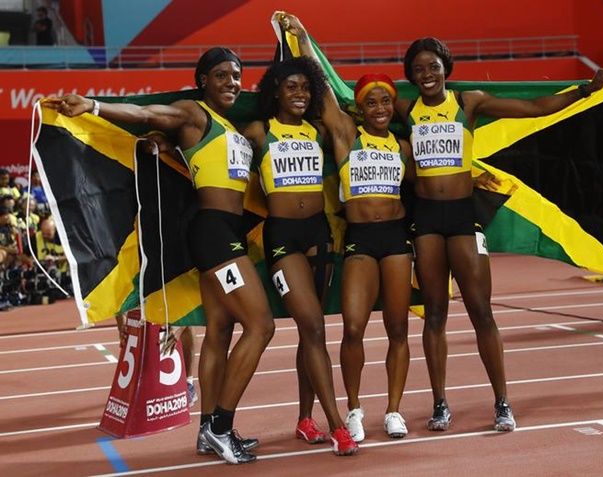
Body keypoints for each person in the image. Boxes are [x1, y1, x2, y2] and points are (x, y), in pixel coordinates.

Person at [44, 47, 276, 464]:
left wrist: (165, 149)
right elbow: (149, 115)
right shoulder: (193, 113)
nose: (231, 83)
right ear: (202, 80)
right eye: (221, 75)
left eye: (237, 76)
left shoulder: (228, 124)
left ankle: (208, 430)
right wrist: (94, 106)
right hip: (215, 236)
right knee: (260, 326)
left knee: (220, 333)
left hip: (223, 232)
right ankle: (223, 428)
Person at [395, 37, 603, 432]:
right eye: (418, 70)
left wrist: (588, 89)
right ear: (410, 77)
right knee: (435, 314)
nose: (426, 75)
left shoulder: (469, 103)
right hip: (426, 219)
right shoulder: (404, 108)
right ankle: (440, 403)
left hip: (463, 216)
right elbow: (349, 102)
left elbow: (533, 109)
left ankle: (502, 402)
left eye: (433, 67)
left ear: (446, 68)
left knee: (482, 311)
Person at [278, 13, 414, 443]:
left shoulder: (403, 146)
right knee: (353, 327)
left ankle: (393, 410)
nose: (379, 108)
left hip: (396, 241)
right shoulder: (346, 134)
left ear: (393, 106)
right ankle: (353, 408)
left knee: (398, 329)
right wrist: (303, 40)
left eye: (386, 101)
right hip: (359, 241)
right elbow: (322, 90)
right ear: (360, 106)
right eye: (371, 101)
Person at [242, 46, 358, 455]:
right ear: (274, 91)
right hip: (282, 236)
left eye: (306, 88)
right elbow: (223, 157)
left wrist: (304, 47)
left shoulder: (318, 131)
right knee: (313, 326)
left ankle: (306, 419)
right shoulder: (259, 131)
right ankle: (338, 425)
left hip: (319, 232)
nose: (301, 94)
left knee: (312, 331)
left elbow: (337, 116)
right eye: (291, 86)